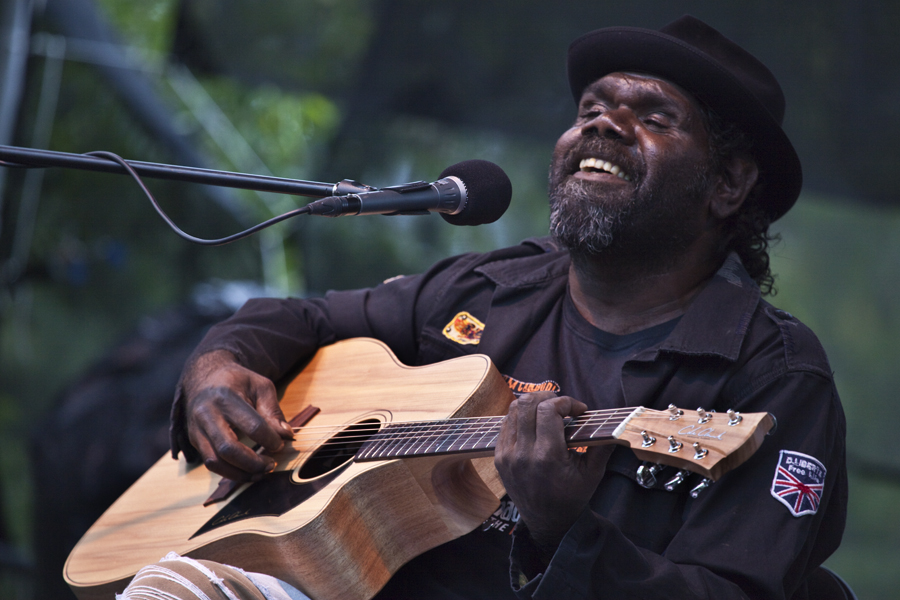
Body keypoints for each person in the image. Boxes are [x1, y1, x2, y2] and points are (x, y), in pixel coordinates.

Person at [122, 15, 847, 600]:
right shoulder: (490, 290)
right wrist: (222, 365)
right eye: (591, 108)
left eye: (654, 116)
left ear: (727, 183)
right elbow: (305, 319)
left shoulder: (773, 377)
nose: (602, 125)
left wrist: (565, 528)